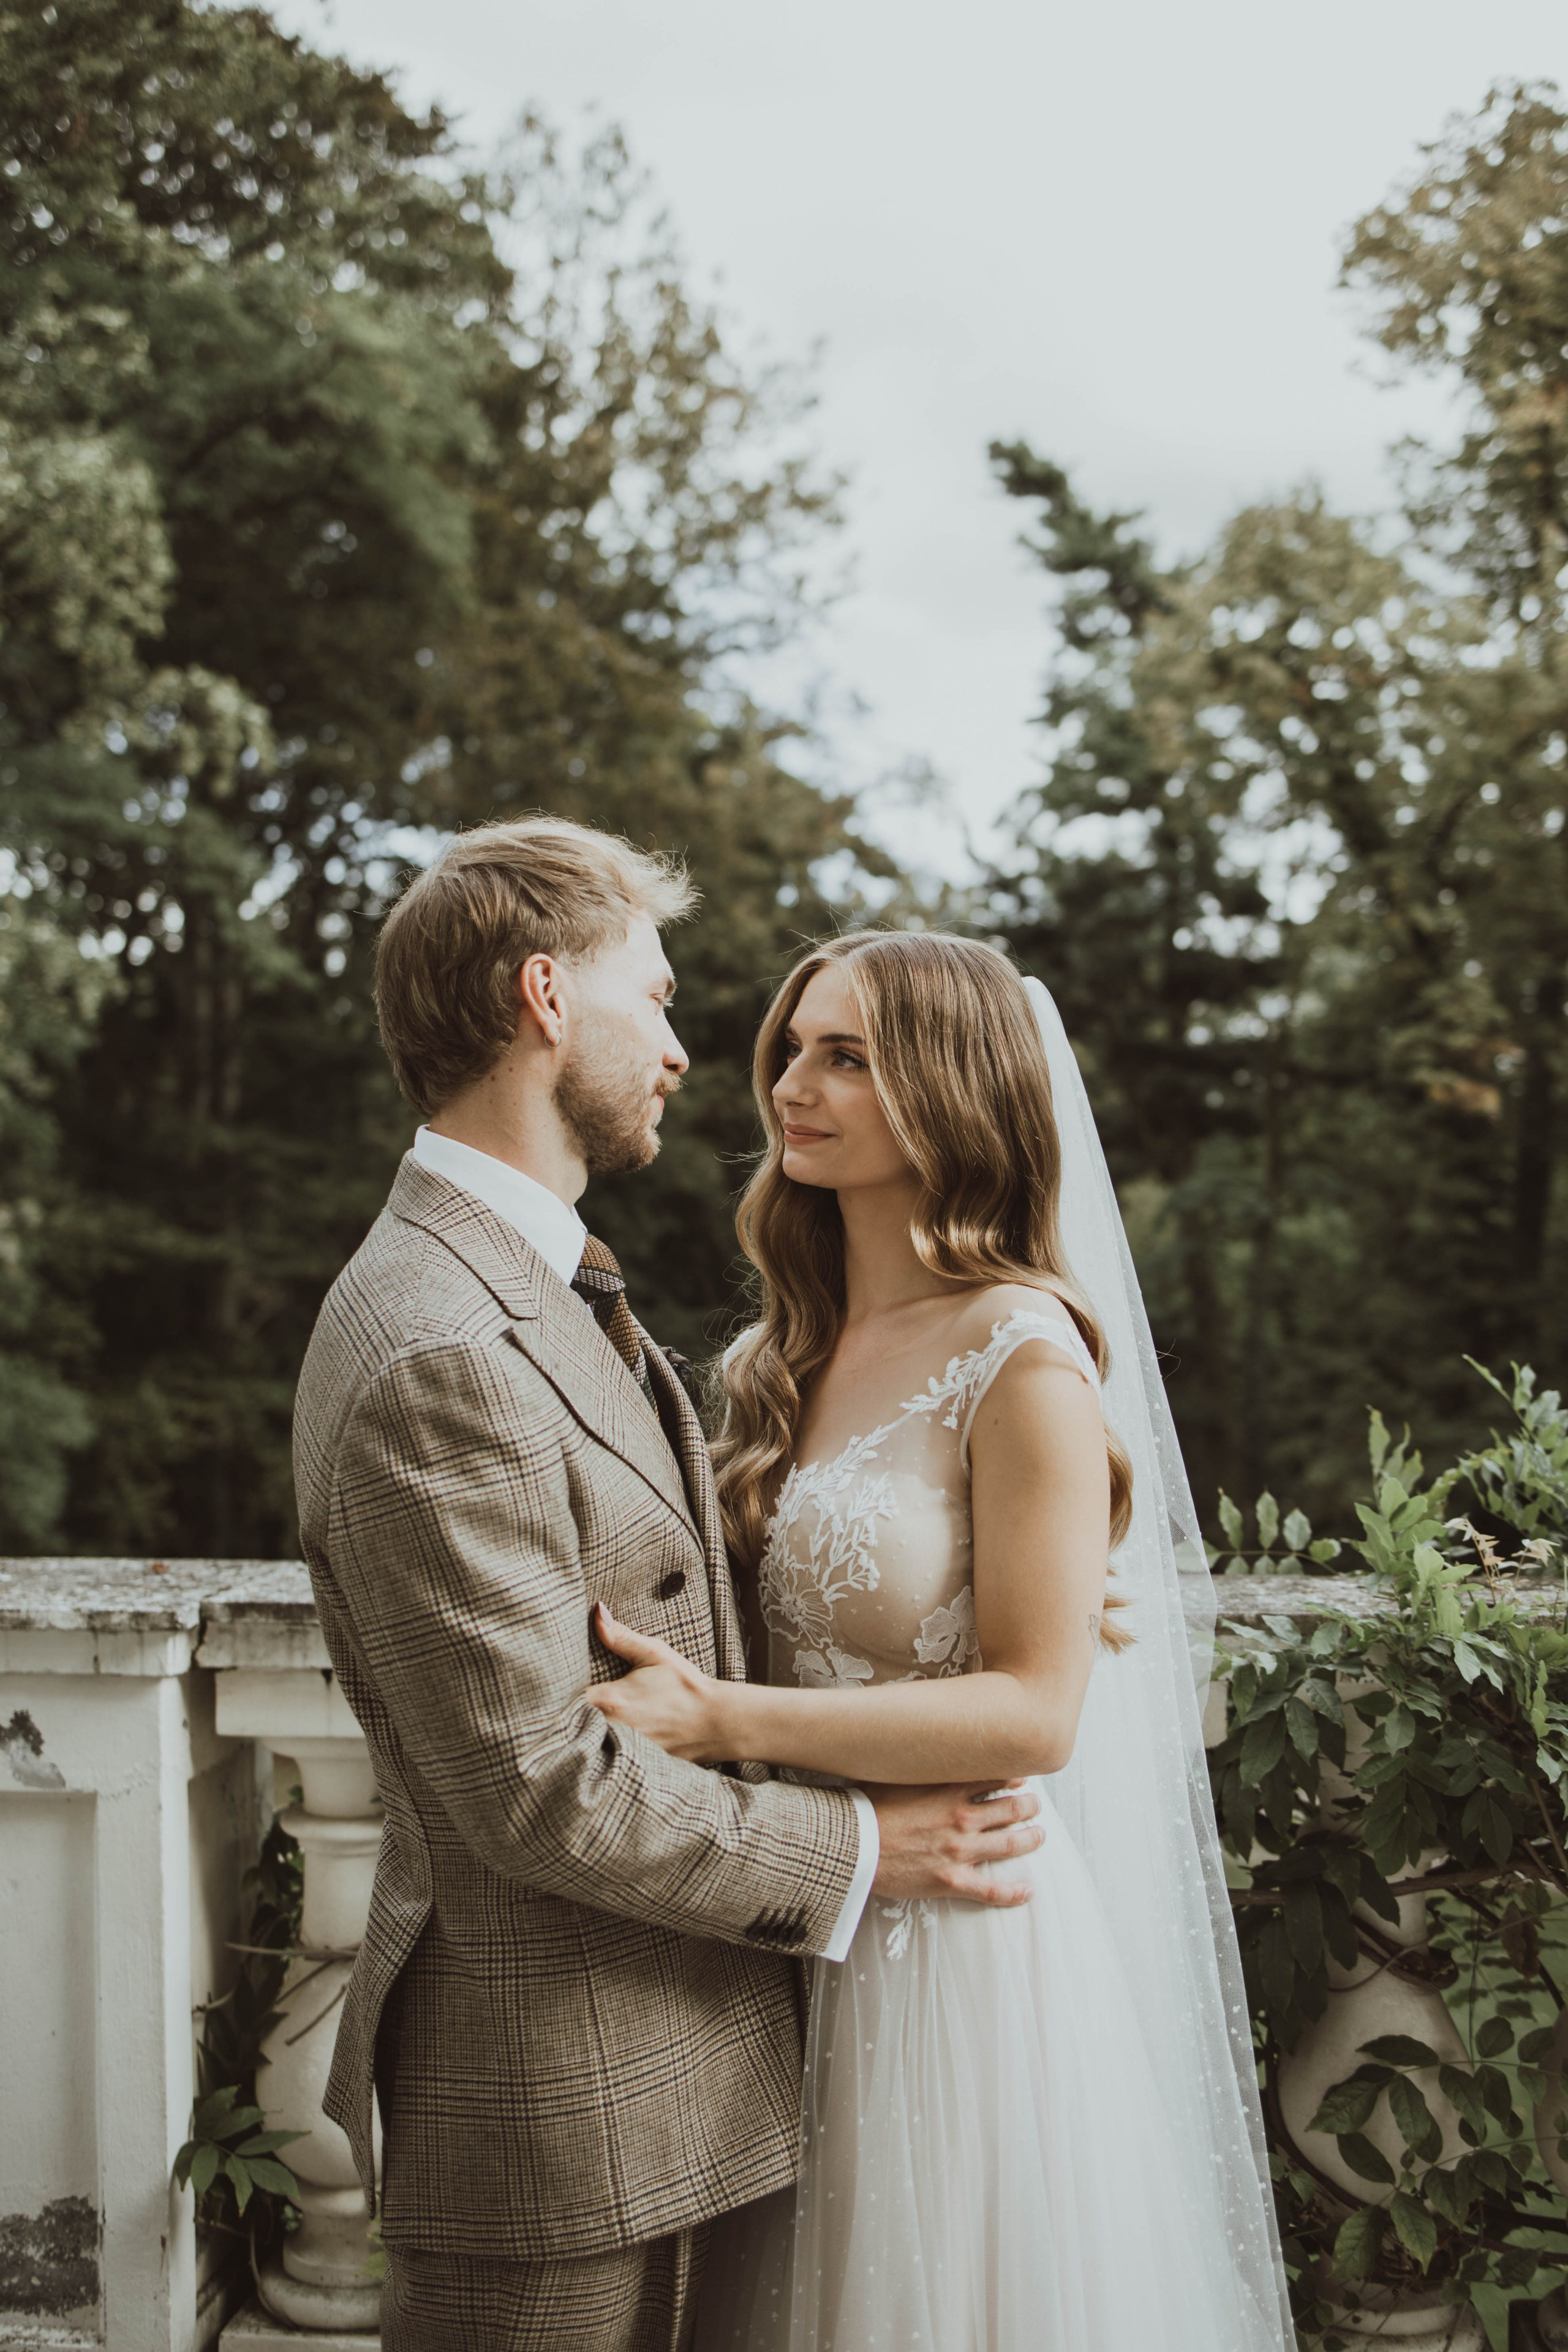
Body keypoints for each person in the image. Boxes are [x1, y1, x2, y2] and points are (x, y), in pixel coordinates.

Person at [291, 822, 1048, 2352]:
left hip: (690, 2081)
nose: (694, 1056)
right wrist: (861, 1851)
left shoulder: (539, 1282)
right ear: (544, 997)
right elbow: (536, 1788)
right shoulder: (439, 1339)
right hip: (553, 2123)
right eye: (655, 998)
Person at [587, 930, 1295, 2352]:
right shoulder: (780, 1355)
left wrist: (721, 1720)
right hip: (784, 1920)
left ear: (950, 1093)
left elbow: (1035, 1712)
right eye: (792, 1049)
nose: (792, 1085)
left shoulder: (1019, 1355)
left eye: (847, 1058)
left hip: (953, 1946)